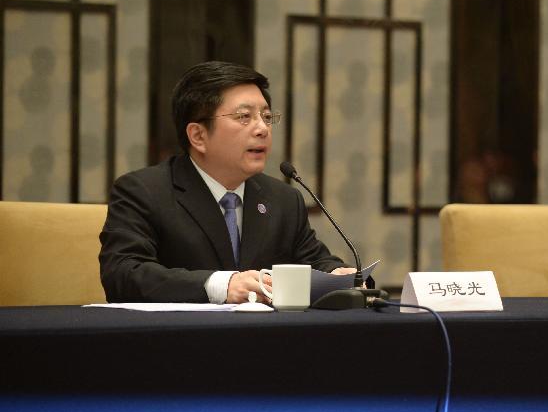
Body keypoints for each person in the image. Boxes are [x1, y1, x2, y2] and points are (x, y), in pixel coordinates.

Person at [100, 61, 356, 303]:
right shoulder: (144, 191)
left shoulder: (282, 199)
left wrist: (337, 275)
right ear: (198, 136)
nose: (262, 129)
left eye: (266, 117)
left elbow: (314, 262)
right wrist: (222, 285)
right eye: (244, 117)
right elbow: (122, 274)